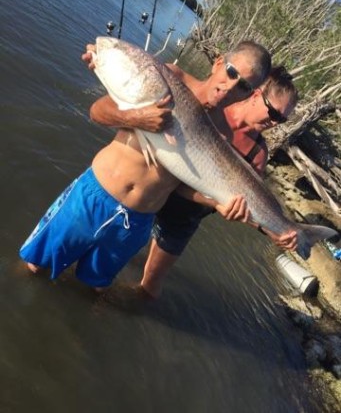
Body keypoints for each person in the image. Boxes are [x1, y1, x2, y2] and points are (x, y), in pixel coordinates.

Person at [19, 40, 271, 291]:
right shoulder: (166, 76)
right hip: (94, 197)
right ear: (218, 63)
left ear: (250, 94)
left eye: (244, 86)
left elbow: (182, 187)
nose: (231, 86)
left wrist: (217, 204)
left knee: (92, 288)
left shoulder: (222, 137)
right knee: (33, 267)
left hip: (136, 222)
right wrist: (137, 118)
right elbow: (96, 112)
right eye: (231, 72)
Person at [88, 57, 298, 297]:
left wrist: (276, 231)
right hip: (153, 193)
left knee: (151, 284)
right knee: (111, 254)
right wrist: (105, 64)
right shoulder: (214, 104)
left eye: (281, 119)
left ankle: (122, 309)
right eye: (272, 111)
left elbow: (248, 205)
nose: (274, 121)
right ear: (255, 94)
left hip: (185, 216)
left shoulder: (258, 154)